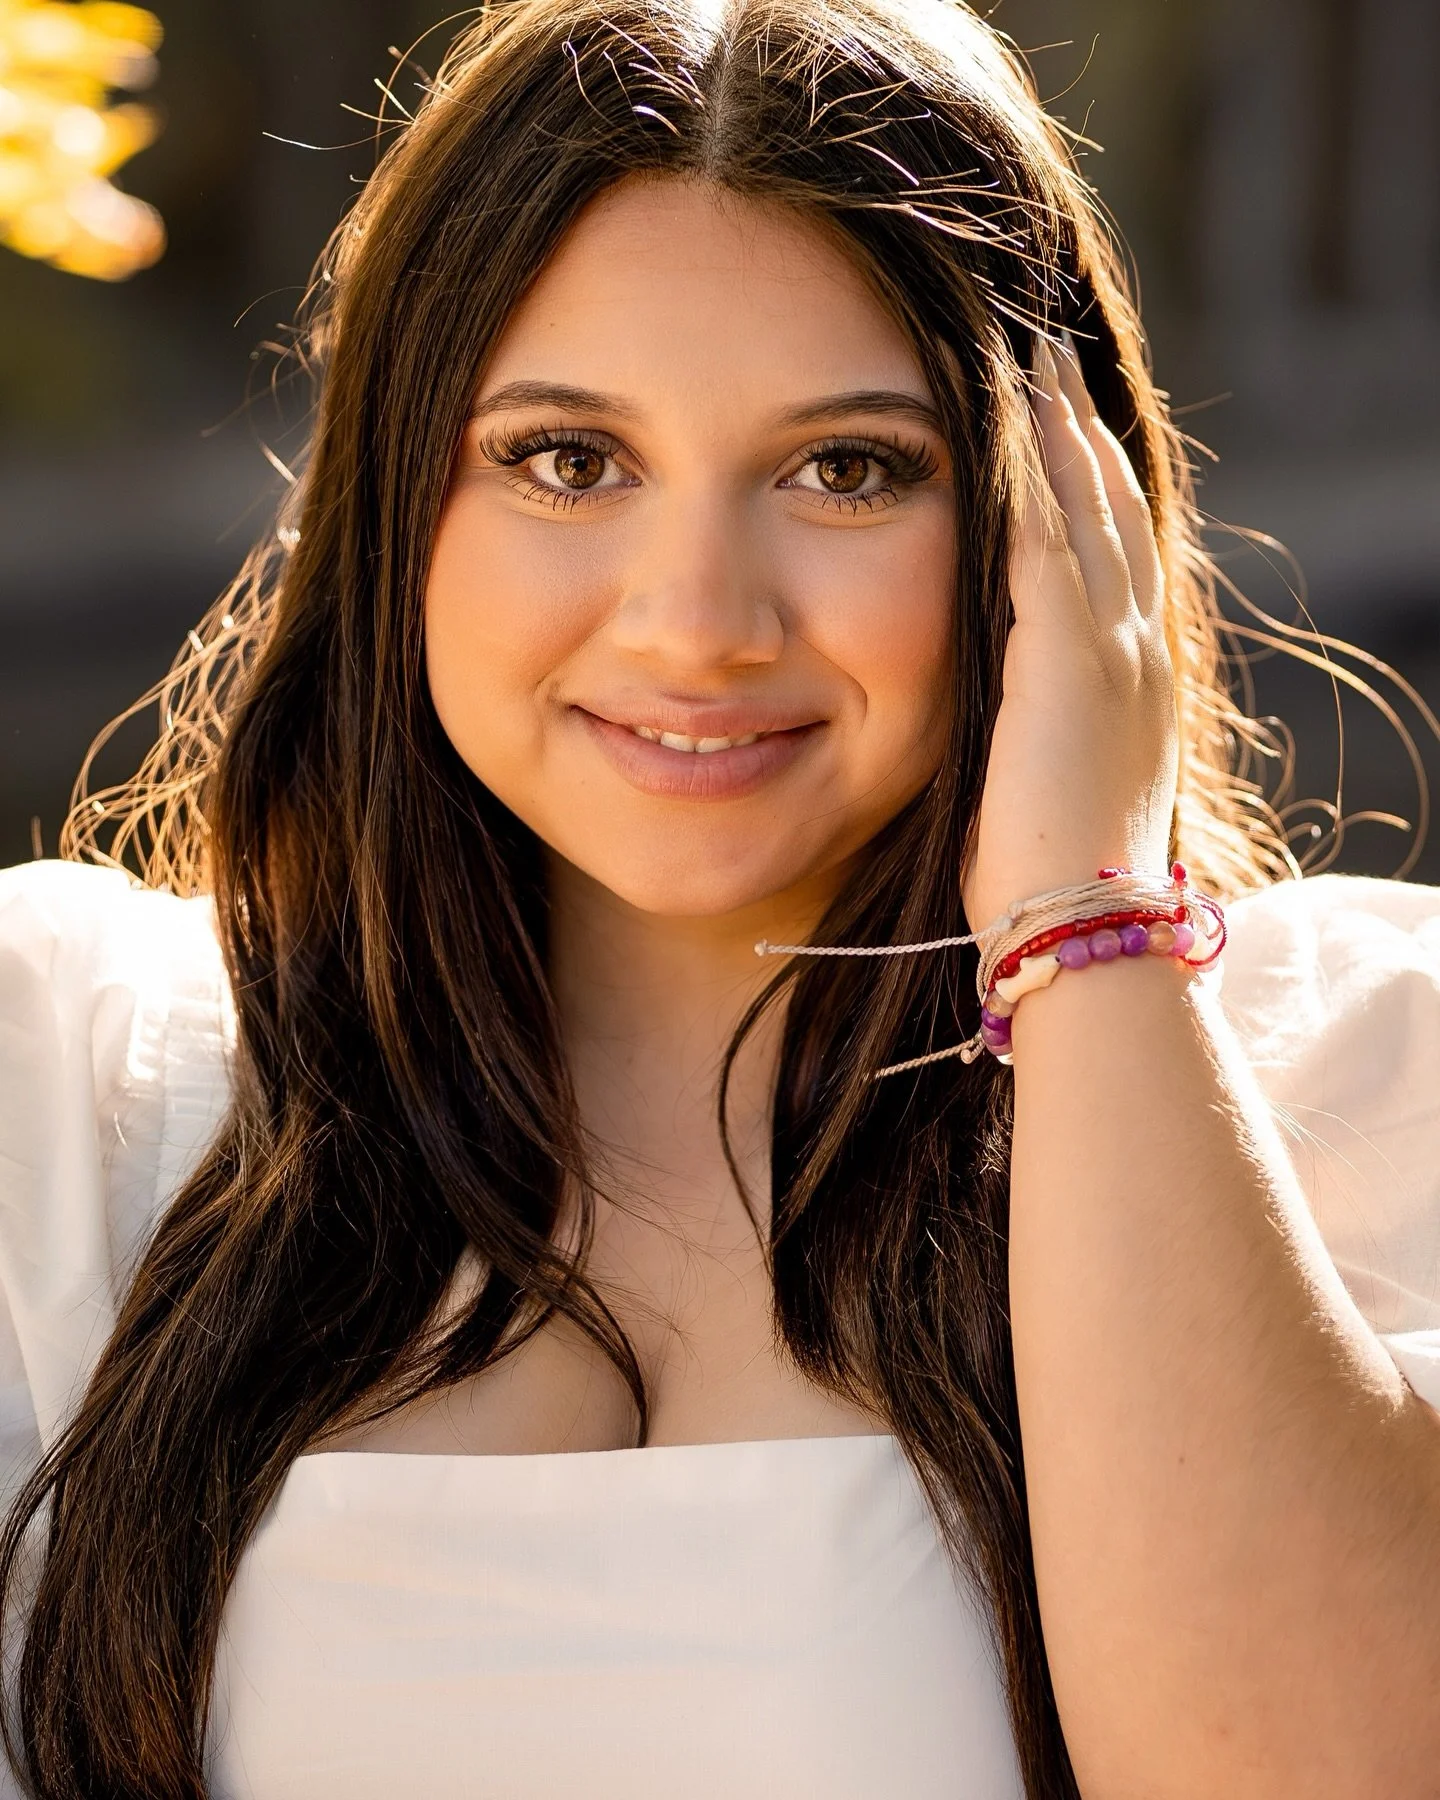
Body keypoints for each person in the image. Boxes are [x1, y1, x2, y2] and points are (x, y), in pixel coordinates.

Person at [1, 1, 1438, 1795]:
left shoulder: (1374, 1089)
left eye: (847, 471)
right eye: (568, 460)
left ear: (1063, 526)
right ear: (396, 503)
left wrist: (1091, 923)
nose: (697, 620)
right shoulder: (74, 1086)